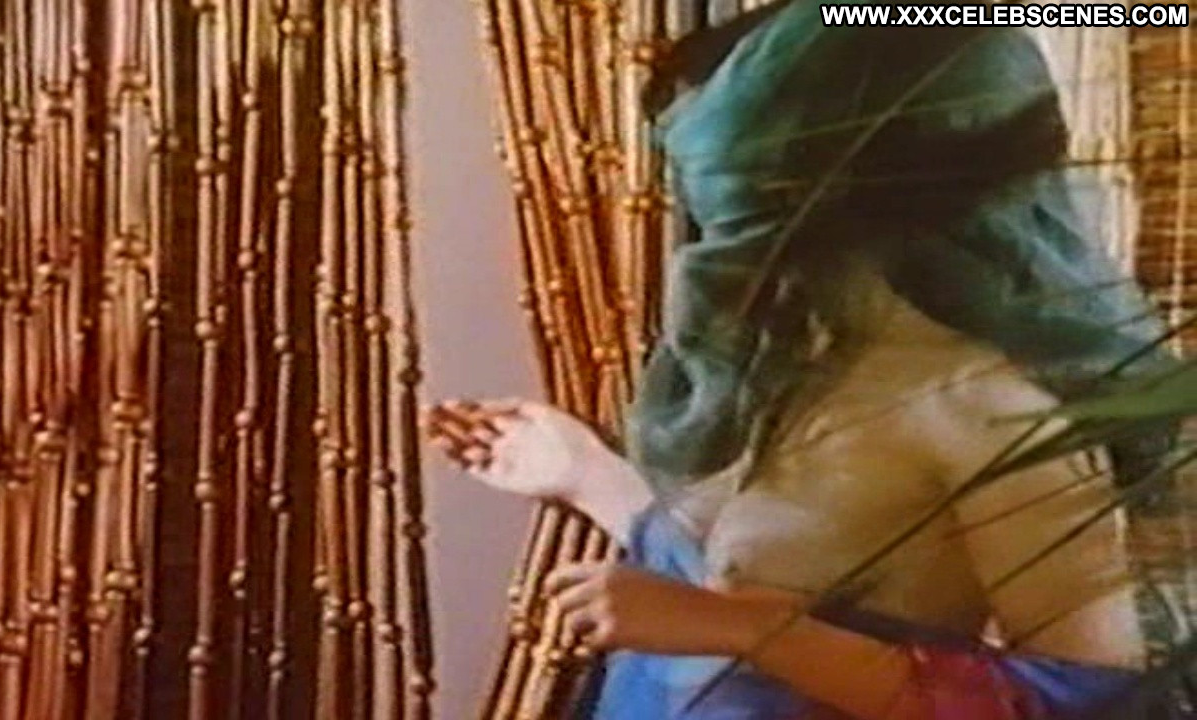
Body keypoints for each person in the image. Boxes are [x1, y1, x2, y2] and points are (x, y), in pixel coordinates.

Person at [427, 2, 1188, 717]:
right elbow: (730, 577)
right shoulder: (779, 359)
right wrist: (583, 473)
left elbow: (1092, 701)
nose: (706, 213)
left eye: (731, 174)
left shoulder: (988, 403)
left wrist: (750, 632)